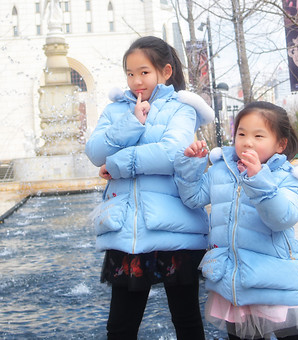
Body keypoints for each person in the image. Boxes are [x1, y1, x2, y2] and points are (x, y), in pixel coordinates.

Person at [86, 35, 214, 340]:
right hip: (127, 231)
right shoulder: (116, 110)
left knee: (186, 322)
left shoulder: (182, 109)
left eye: (144, 72)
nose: (135, 81)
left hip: (175, 231)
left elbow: (172, 154)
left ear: (165, 72)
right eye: (130, 73)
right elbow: (94, 153)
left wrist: (116, 164)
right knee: (120, 327)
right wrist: (132, 122)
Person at [174, 101, 298, 340]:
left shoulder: (286, 177)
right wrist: (191, 165)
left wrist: (259, 179)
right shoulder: (221, 170)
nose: (247, 141)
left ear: (280, 144)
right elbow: (193, 198)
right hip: (233, 281)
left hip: (275, 282)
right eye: (241, 133)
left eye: (258, 135)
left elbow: (283, 218)